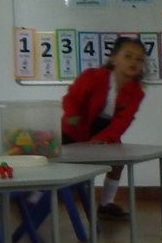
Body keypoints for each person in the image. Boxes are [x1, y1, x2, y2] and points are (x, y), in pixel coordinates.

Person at [62, 36, 147, 218]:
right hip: (75, 128)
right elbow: (71, 99)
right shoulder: (93, 77)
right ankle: (34, 199)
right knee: (59, 166)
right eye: (128, 56)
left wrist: (102, 139)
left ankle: (106, 204)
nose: (134, 62)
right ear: (114, 59)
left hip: (105, 132)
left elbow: (123, 121)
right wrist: (72, 117)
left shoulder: (136, 92)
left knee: (117, 163)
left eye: (139, 59)